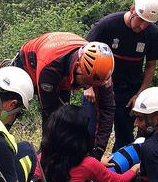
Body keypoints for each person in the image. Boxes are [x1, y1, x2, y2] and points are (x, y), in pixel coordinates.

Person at [82, 0, 158, 151]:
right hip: (99, 88)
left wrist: (139, 94)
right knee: (89, 133)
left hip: (128, 93)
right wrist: (88, 86)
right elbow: (83, 54)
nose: (142, 26)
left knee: (125, 138)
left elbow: (150, 65)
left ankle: (118, 173)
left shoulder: (152, 34)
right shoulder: (107, 25)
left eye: (147, 23)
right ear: (133, 9)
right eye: (140, 20)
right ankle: (86, 172)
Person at [12, 32, 115, 160]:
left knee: (64, 124)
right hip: (29, 65)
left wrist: (97, 151)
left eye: (93, 85)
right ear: (78, 66)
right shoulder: (51, 69)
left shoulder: (102, 71)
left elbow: (107, 110)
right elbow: (50, 115)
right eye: (86, 82)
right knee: (12, 109)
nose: (87, 87)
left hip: (63, 72)